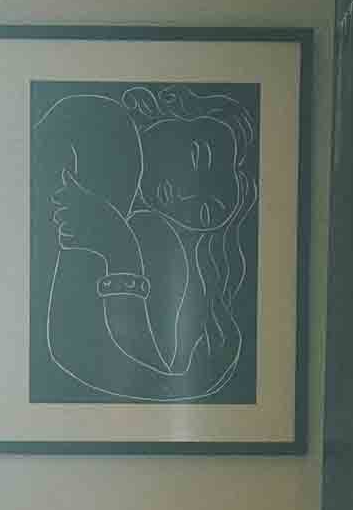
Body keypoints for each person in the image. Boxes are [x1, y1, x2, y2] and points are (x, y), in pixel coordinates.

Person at [33, 83, 258, 402]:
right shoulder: (95, 124)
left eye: (207, 209)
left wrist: (119, 250)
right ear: (157, 112)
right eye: (199, 157)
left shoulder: (153, 236)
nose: (194, 191)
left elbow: (147, 369)